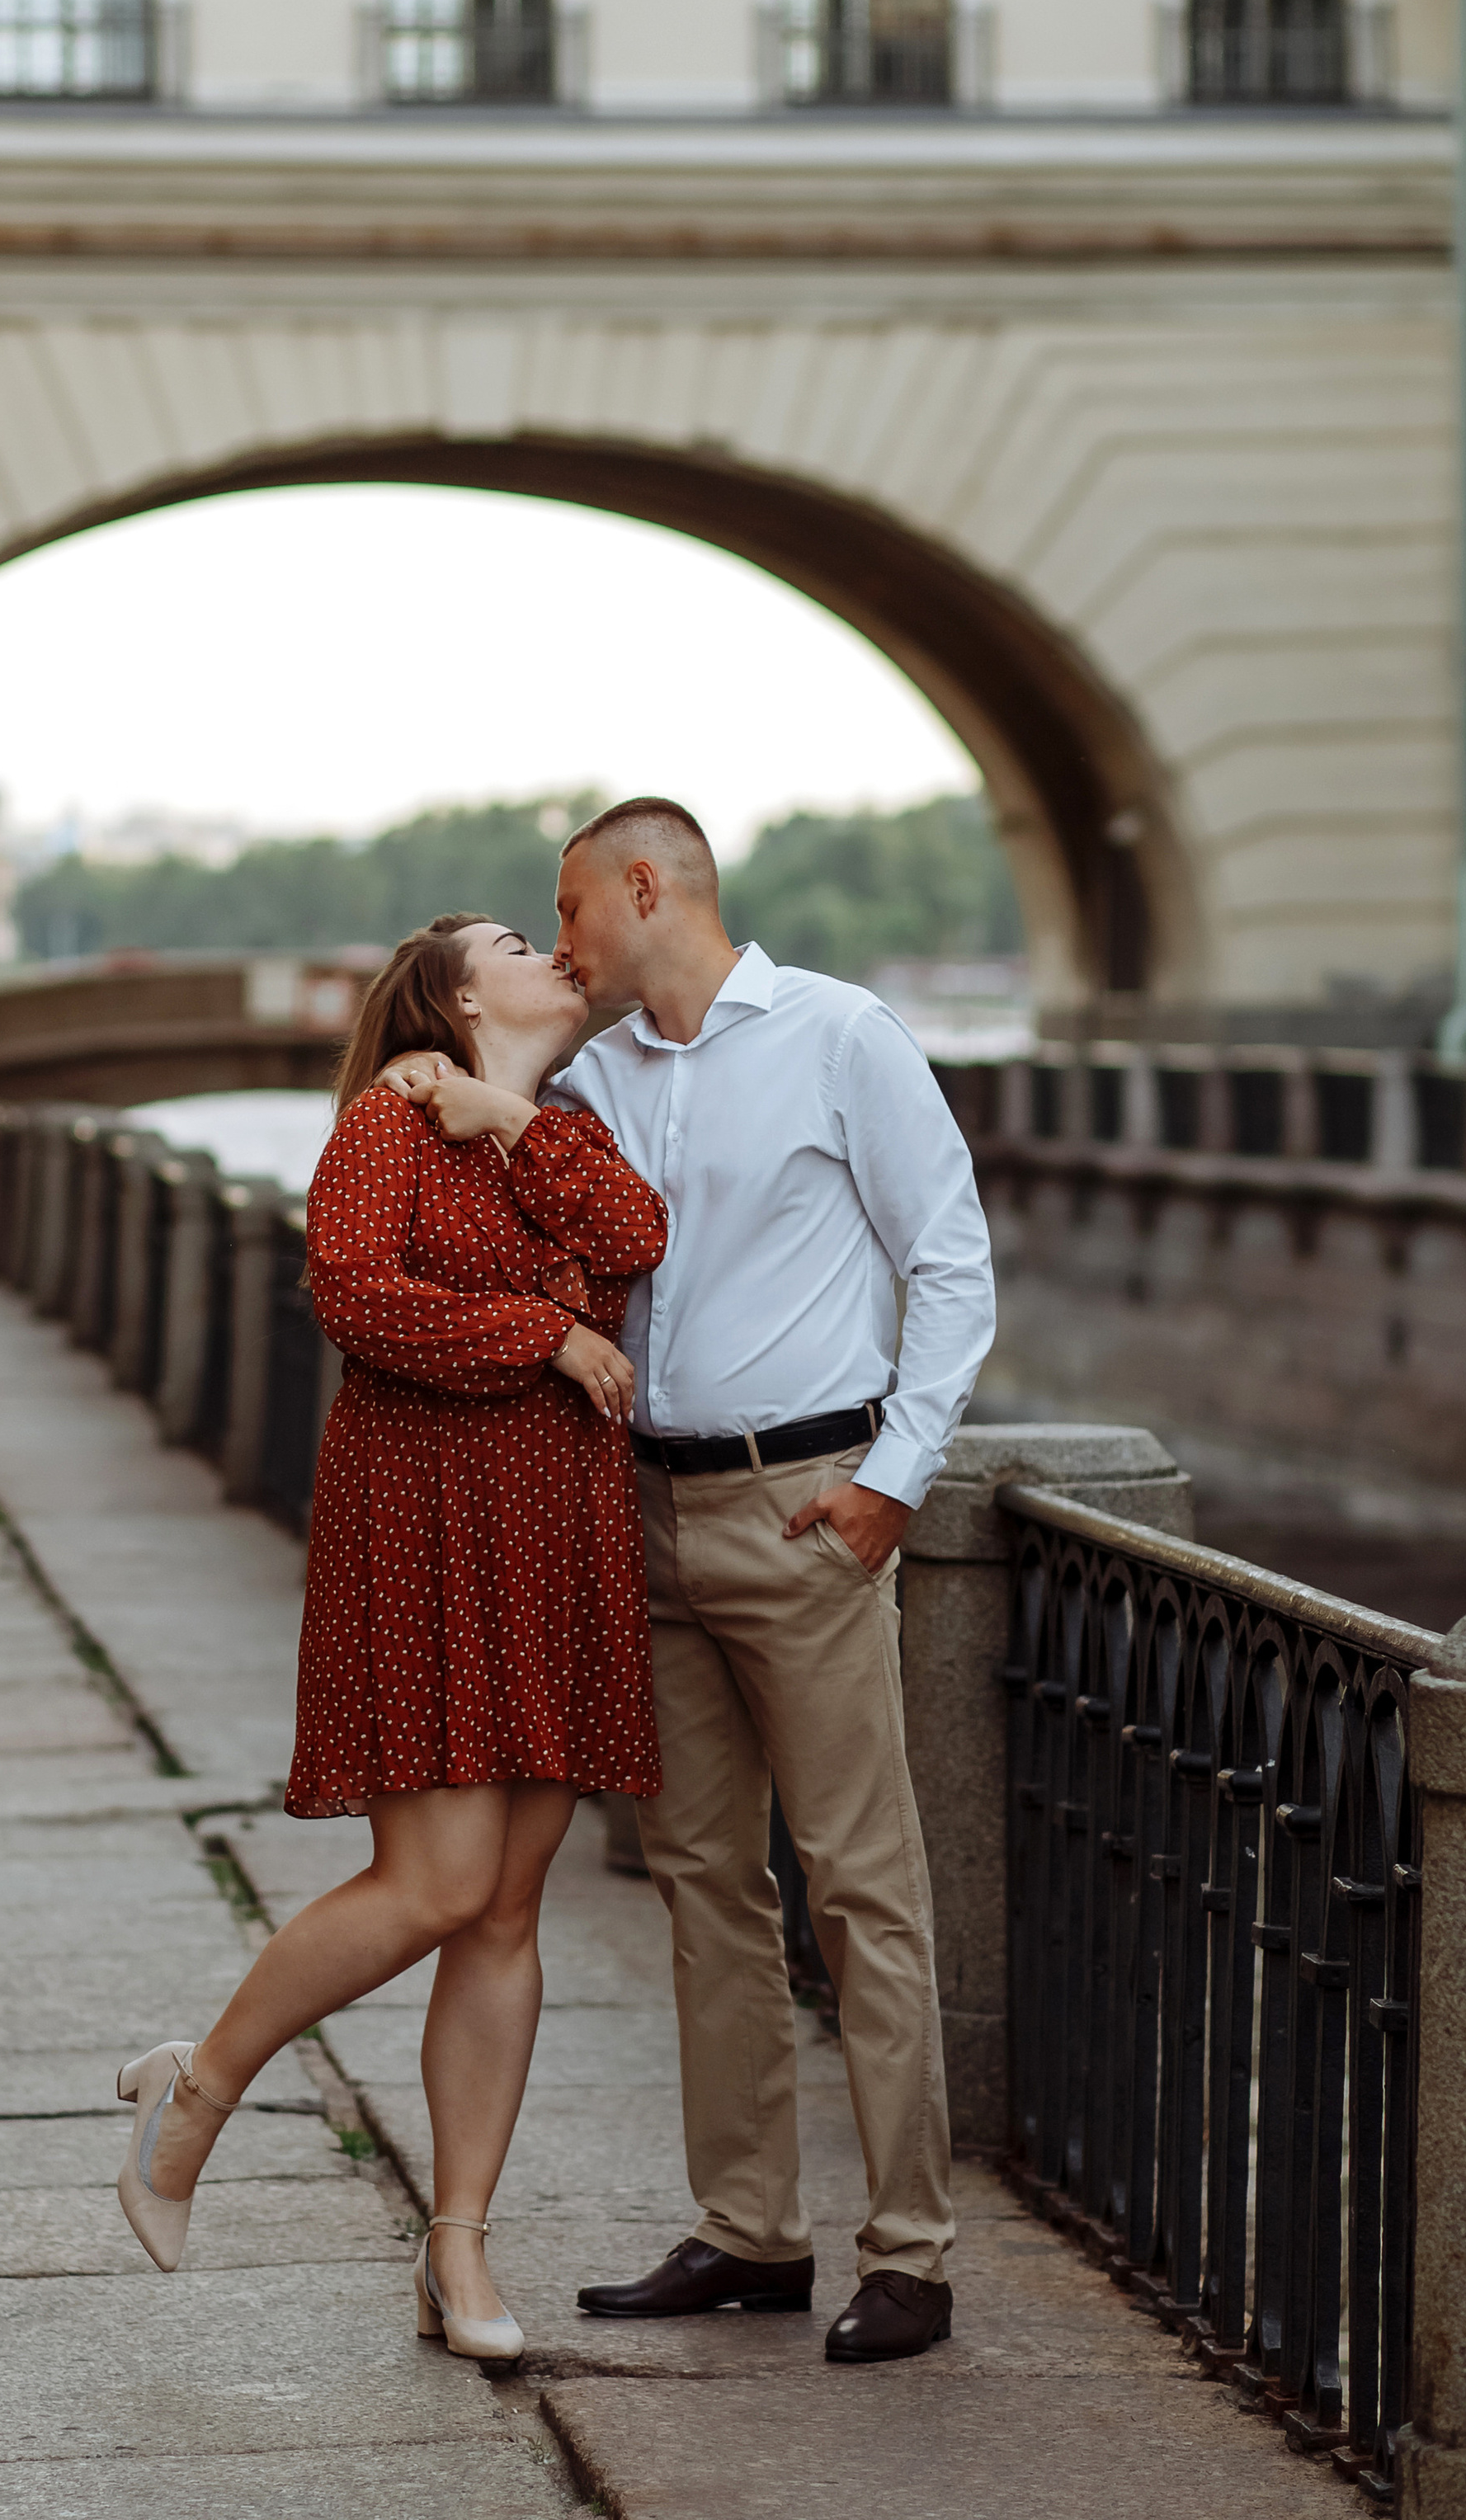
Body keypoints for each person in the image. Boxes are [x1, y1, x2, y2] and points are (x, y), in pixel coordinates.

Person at [111, 912, 667, 2369]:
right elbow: (354, 1297)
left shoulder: (560, 1128)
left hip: (554, 1539)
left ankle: (459, 2247)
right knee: (434, 1884)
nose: (548, 949)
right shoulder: (391, 1115)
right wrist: (543, 1334)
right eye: (511, 937)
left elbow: (636, 1241)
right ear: (451, 993)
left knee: (503, 1912)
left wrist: (516, 1125)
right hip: (422, 1531)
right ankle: (207, 2086)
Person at [483, 795, 992, 2362]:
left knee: (861, 1886)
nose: (561, 944)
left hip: (803, 1507)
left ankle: (910, 2252)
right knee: (706, 1886)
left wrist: (889, 1486)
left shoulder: (842, 1037)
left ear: (650, 886)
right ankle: (750, 2230)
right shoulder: (595, 1077)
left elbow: (952, 1262)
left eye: (571, 912)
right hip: (646, 1515)